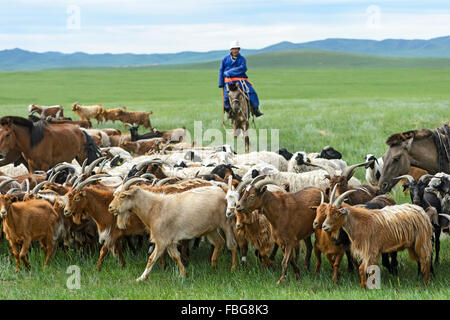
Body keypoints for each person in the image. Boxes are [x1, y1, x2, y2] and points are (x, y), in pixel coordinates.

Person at [218, 40, 263, 117]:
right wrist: (221, 83)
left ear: (239, 49)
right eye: (233, 49)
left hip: (241, 80)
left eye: (236, 49)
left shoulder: (242, 59)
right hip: (229, 82)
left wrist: (229, 72)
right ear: (230, 50)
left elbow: (243, 69)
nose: (235, 50)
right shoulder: (225, 59)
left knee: (251, 92)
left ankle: (255, 109)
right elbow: (221, 71)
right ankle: (229, 112)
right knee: (226, 98)